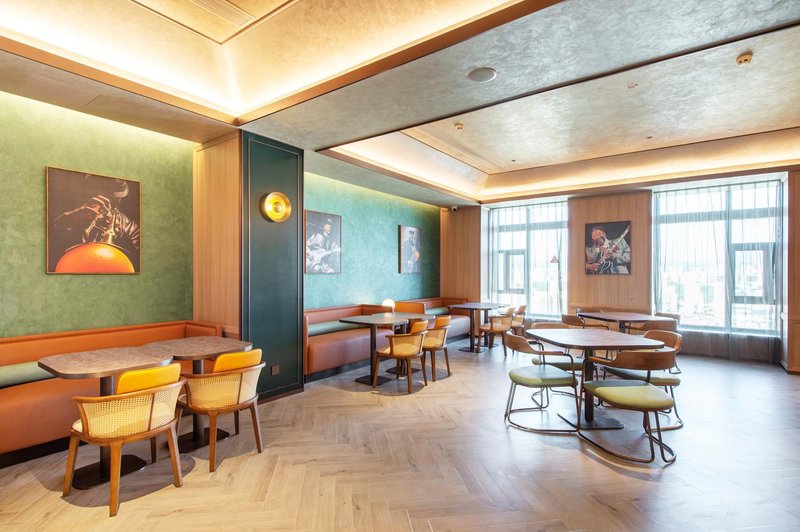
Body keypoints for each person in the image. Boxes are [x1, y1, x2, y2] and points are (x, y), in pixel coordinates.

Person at [51, 177, 140, 267]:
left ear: (121, 198)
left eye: (115, 198)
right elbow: (53, 233)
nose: (109, 201)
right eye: (106, 195)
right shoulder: (80, 209)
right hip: (74, 263)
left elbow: (136, 261)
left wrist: (121, 234)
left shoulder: (130, 226)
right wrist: (75, 216)